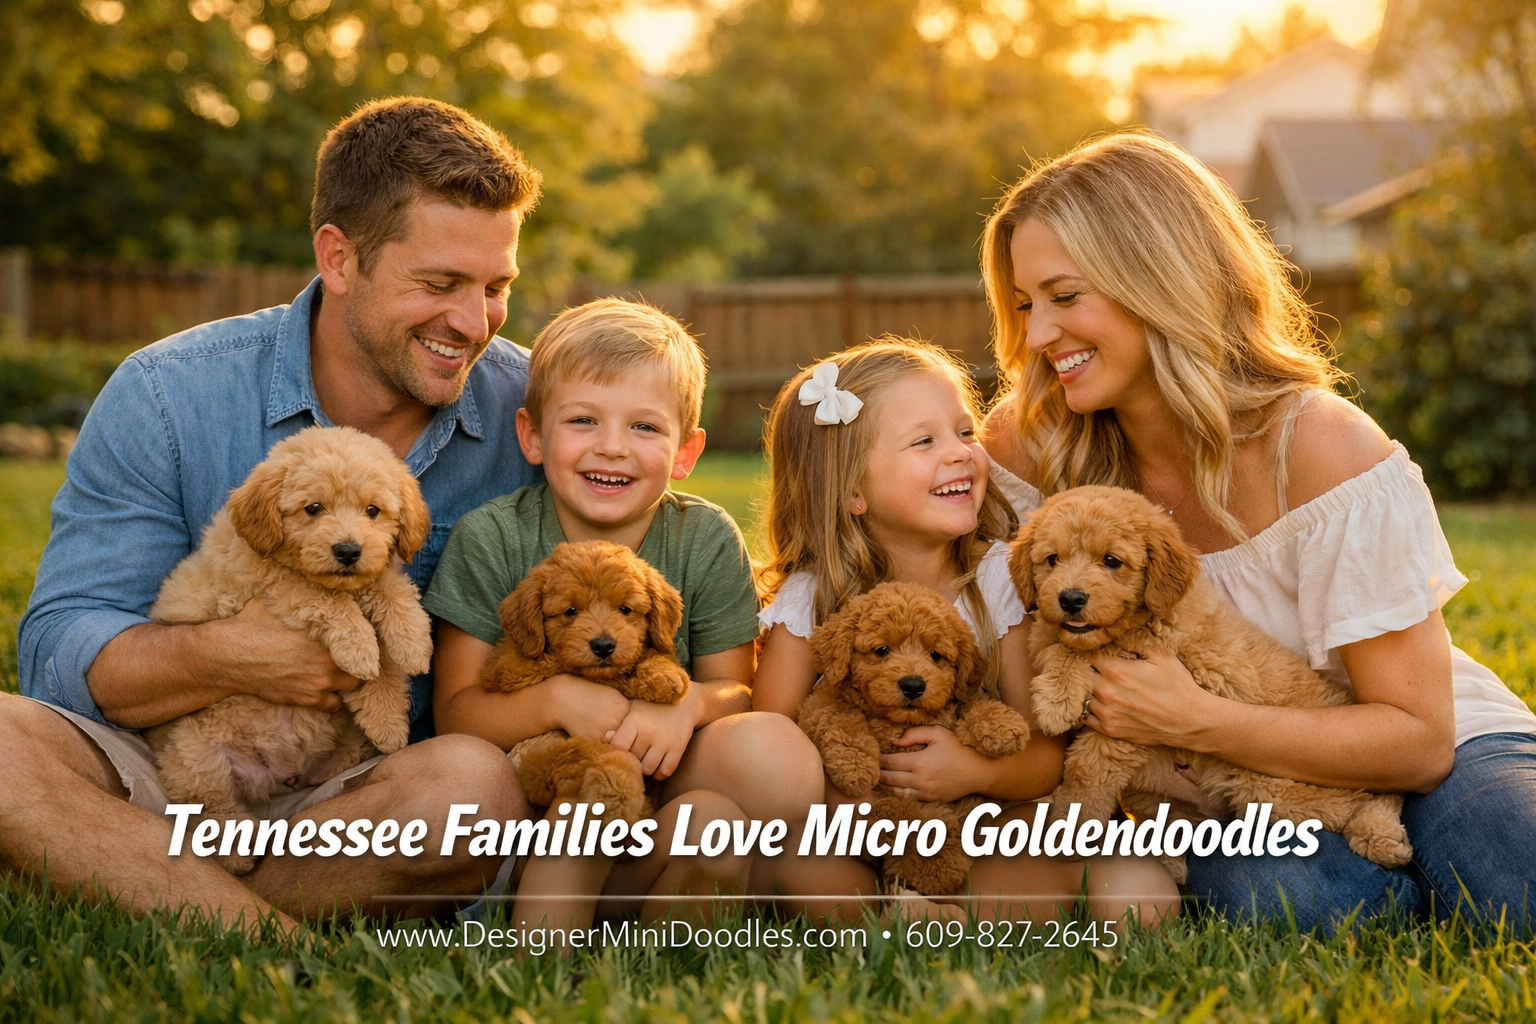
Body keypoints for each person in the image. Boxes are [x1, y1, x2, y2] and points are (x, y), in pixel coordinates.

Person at [4, 97, 547, 931]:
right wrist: (230, 657)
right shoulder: (166, 393)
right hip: (171, 768)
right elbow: (59, 648)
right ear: (339, 257)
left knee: (471, 788)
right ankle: (258, 925)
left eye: (495, 286)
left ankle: (149, 889)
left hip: (367, 793)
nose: (472, 322)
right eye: (439, 284)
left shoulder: (534, 411)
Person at [977, 131, 1536, 932]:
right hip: (1228, 787)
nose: (1036, 337)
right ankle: (1393, 882)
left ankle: (1438, 854)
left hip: (1426, 748)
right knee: (1290, 900)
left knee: (1519, 879)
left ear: (1157, 278)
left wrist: (1192, 717)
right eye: (1025, 305)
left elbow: (1418, 741)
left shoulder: (1319, 445)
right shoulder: (1032, 442)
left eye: (1064, 297)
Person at [426, 298, 823, 936]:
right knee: (590, 804)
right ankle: (540, 938)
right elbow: (456, 712)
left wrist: (688, 705)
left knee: (749, 785)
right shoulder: (492, 536)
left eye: (644, 428)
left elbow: (739, 691)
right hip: (541, 805)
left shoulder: (705, 537)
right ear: (532, 435)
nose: (612, 448)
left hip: (662, 793)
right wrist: (557, 699)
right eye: (584, 420)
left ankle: (652, 935)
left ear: (686, 450)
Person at [751, 338, 1180, 927]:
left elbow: (1044, 753)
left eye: (965, 433)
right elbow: (777, 752)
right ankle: (889, 909)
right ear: (853, 490)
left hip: (983, 817)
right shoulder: (811, 596)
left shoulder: (999, 577)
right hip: (855, 829)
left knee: (1127, 884)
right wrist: (857, 813)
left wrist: (975, 772)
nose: (960, 455)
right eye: (925, 442)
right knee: (792, 856)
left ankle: (943, 911)